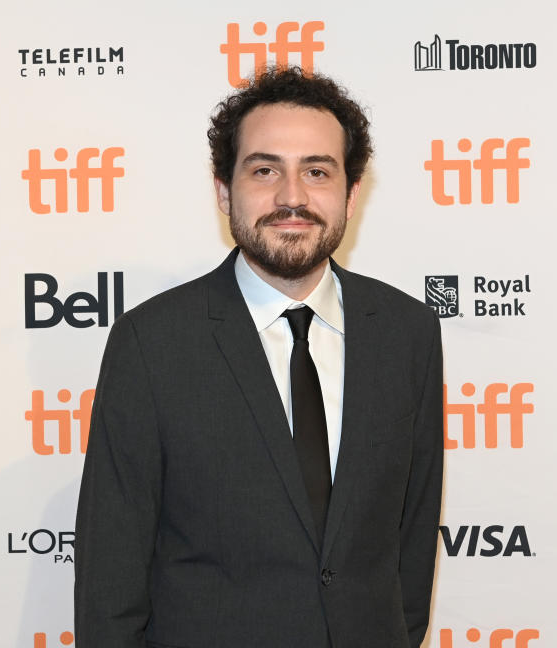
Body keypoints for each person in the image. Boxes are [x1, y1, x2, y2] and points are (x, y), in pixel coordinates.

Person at [74, 66, 444, 648]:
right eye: (265, 169)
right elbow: (109, 584)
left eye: (317, 172)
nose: (291, 197)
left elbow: (413, 534)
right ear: (224, 190)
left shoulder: (408, 331)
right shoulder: (152, 343)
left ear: (351, 193)